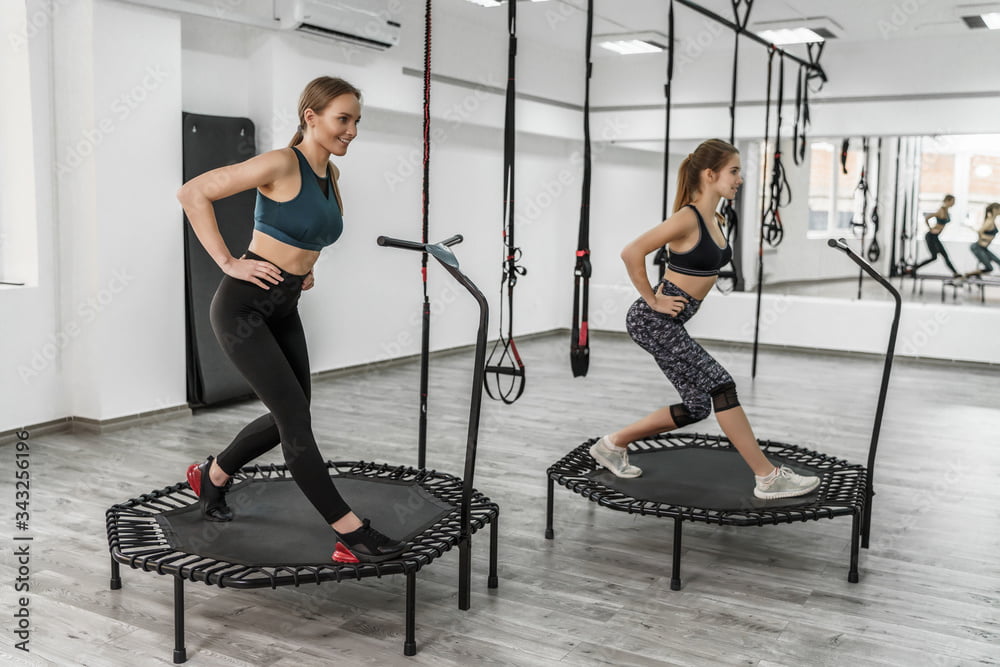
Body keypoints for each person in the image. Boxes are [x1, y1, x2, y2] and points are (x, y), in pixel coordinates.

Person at [176, 76, 406, 563]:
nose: (352, 131)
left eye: (356, 121)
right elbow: (192, 193)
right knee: (296, 423)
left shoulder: (331, 177)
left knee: (292, 411)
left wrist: (306, 268)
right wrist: (228, 262)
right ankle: (350, 533)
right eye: (343, 119)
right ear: (311, 117)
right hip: (244, 305)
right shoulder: (281, 163)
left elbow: (312, 232)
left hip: (285, 303)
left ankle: (213, 475)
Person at [589, 139, 820, 500]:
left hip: (669, 324)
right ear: (710, 175)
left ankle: (612, 445)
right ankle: (768, 477)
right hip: (653, 321)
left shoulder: (715, 217)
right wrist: (652, 298)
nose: (740, 178)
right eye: (734, 171)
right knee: (721, 386)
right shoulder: (688, 217)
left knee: (697, 405)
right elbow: (631, 251)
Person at [907, 195, 960, 278]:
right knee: (939, 256)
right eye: (953, 201)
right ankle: (956, 273)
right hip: (931, 236)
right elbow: (927, 218)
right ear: (947, 201)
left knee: (936, 257)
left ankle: (914, 268)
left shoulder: (945, 210)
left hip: (935, 237)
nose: (954, 203)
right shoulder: (941, 210)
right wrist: (930, 228)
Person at [965, 202, 1000, 278]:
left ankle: (975, 275)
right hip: (978, 247)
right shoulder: (989, 221)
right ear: (995, 210)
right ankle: (967, 275)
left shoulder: (992, 221)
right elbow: (980, 231)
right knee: (989, 268)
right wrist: (986, 238)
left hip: (983, 248)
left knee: (998, 262)